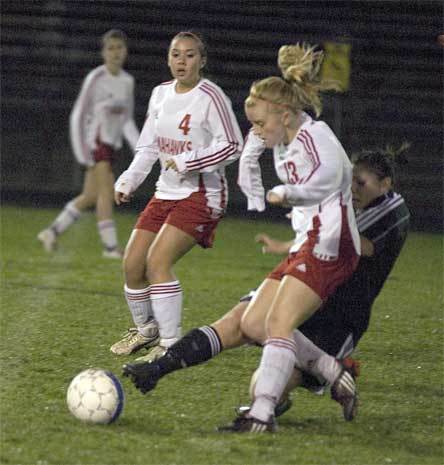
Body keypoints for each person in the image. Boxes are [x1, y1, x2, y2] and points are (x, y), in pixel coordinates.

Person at [123, 42, 362, 432]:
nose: (256, 131)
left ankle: (261, 416)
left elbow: (334, 177)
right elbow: (253, 161)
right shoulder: (283, 136)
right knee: (253, 323)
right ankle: (334, 372)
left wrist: (291, 194)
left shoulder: (316, 137)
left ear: (284, 115)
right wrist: (256, 173)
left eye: (260, 123)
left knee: (279, 323)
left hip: (331, 247)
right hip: (309, 242)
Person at [121, 144, 409, 430]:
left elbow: (361, 246)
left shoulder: (394, 210)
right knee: (239, 321)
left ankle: (283, 396)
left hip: (337, 315)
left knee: (262, 385)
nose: (354, 188)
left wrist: (306, 220)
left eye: (362, 183)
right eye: (351, 180)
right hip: (307, 279)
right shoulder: (343, 195)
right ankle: (157, 368)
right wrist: (292, 242)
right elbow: (323, 232)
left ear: (385, 185)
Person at [109, 31, 243, 359]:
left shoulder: (211, 97)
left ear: (202, 60)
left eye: (190, 55)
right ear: (168, 58)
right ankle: (146, 330)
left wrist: (189, 160)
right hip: (165, 192)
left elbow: (233, 144)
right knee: (132, 265)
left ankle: (170, 345)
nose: (181, 62)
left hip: (203, 194)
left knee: (157, 262)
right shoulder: (159, 94)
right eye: (176, 55)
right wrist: (128, 180)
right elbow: (148, 146)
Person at [37, 29, 139, 259]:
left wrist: (140, 148)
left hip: (110, 145)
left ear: (126, 51)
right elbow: (78, 116)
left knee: (90, 196)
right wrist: (83, 154)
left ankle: (51, 232)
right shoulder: (96, 78)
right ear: (103, 52)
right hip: (96, 144)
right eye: (110, 48)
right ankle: (110, 247)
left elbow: (126, 121)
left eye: (119, 47)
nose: (115, 52)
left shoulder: (127, 81)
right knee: (106, 193)